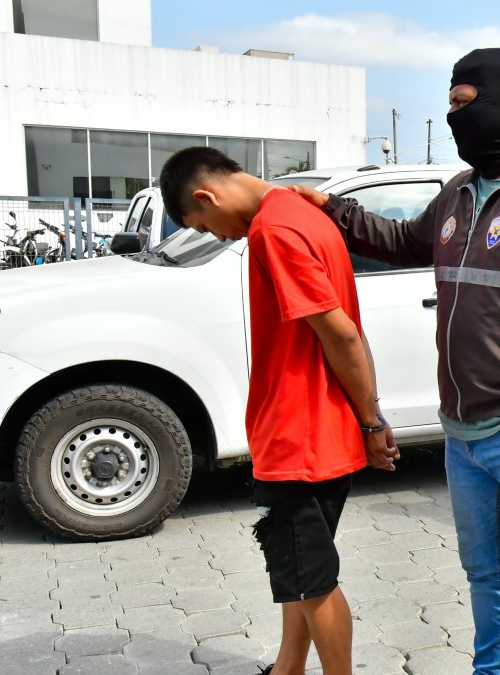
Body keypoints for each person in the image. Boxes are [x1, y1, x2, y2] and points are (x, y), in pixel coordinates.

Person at [292, 48, 500, 674]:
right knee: (485, 577)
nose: (453, 115)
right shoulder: (460, 192)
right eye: (450, 103)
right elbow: (404, 241)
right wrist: (335, 212)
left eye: (463, 103)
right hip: (462, 436)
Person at [159, 146, 399, 675]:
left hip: (299, 436)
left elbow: (339, 333)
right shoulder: (300, 210)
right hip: (319, 431)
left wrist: (372, 420)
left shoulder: (274, 229)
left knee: (313, 581)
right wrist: (368, 416)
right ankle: (288, 668)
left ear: (207, 195)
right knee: (299, 569)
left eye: (204, 224)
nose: (218, 235)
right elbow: (351, 333)